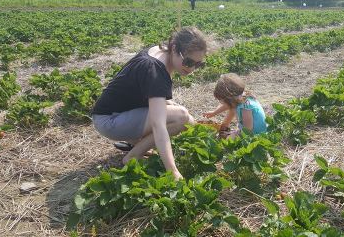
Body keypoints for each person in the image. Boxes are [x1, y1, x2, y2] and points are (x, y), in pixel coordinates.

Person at [92, 27, 207, 180]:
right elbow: (158, 126)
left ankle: (136, 143)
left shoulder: (159, 53)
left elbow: (160, 99)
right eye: (188, 62)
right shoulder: (156, 72)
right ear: (174, 48)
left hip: (121, 113)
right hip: (110, 121)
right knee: (181, 118)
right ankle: (133, 156)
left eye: (198, 64)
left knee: (188, 120)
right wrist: (173, 171)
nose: (192, 69)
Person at [203, 73, 267, 138]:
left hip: (256, 135)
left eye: (222, 100)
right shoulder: (238, 98)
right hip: (247, 130)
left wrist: (233, 134)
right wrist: (214, 112)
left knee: (229, 139)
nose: (221, 102)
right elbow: (228, 105)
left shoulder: (246, 107)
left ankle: (226, 132)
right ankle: (224, 128)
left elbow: (248, 130)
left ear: (229, 98)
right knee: (232, 109)